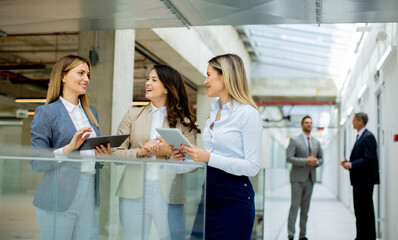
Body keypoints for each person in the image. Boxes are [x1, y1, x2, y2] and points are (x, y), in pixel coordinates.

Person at [112, 64, 200, 240]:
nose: (147, 83)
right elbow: (115, 154)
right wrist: (141, 151)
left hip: (169, 193)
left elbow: (193, 163)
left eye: (154, 80)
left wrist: (168, 152)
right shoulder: (132, 115)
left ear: (167, 87)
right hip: (132, 192)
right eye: (147, 79)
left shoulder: (184, 121)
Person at [182, 53, 263, 240]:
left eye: (209, 74)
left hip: (234, 201)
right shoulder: (214, 110)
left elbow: (252, 166)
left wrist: (208, 158)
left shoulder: (248, 114)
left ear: (224, 77)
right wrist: (182, 152)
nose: (205, 81)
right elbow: (209, 156)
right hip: (208, 196)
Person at [30, 55, 111, 240]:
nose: (86, 79)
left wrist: (103, 156)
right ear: (63, 76)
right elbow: (36, 162)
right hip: (58, 196)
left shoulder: (92, 113)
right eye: (81, 73)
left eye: (88, 75)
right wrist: (68, 148)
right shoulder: (46, 113)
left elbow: (90, 158)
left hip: (89, 193)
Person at [341, 112, 379, 240]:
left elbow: (369, 159)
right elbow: (362, 157)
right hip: (360, 181)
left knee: (365, 212)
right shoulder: (361, 136)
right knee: (361, 212)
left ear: (360, 121)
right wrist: (348, 163)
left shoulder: (368, 137)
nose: (352, 122)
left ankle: (366, 237)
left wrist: (351, 165)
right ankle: (362, 236)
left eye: (354, 120)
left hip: (364, 181)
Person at [286, 115, 323, 240]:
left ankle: (303, 235)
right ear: (302, 125)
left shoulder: (316, 142)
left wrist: (316, 162)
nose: (309, 124)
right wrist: (305, 161)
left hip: (310, 179)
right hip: (297, 179)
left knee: (305, 210)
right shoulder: (294, 140)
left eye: (311, 123)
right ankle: (291, 235)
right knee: (295, 207)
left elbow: (321, 159)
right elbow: (289, 158)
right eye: (306, 122)